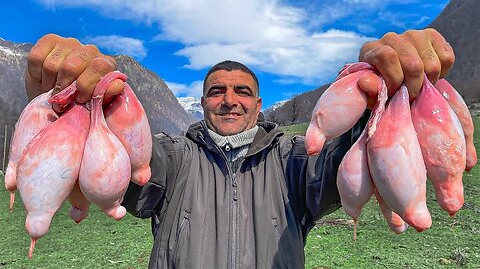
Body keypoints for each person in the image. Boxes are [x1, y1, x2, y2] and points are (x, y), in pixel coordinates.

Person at [25, 29, 454, 268]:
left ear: (259, 103)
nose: (229, 99)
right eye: (216, 92)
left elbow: (352, 156)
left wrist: (383, 93)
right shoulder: (173, 158)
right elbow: (126, 165)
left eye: (242, 91)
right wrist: (63, 105)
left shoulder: (295, 161)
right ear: (204, 100)